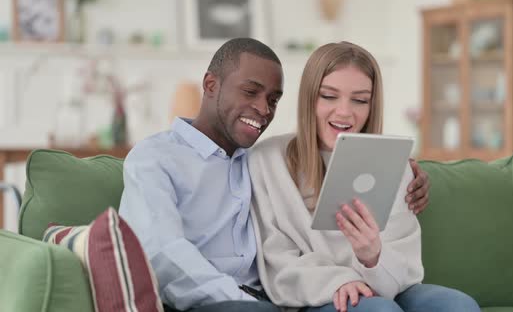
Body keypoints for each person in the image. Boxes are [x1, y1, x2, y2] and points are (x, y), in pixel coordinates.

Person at [119, 38, 430, 312]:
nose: (263, 109)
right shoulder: (155, 158)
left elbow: (322, 155)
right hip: (214, 302)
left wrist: (407, 171)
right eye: (251, 92)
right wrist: (246, 304)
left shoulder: (252, 157)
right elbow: (163, 255)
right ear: (211, 85)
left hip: (265, 300)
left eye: (273, 99)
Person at [248, 42, 480, 312]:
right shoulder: (266, 159)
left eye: (359, 100)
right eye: (328, 96)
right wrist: (340, 280)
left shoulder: (393, 162)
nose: (345, 112)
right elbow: (277, 261)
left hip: (389, 286)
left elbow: (405, 267)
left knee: (459, 306)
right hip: (320, 294)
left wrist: (373, 257)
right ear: (309, 98)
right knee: (377, 310)